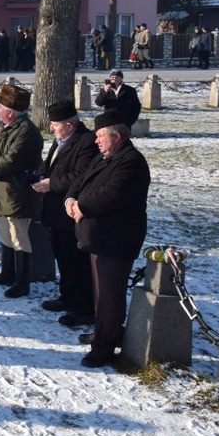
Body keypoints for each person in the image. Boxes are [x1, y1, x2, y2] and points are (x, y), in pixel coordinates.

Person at [65, 111, 150, 368]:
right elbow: (80, 181)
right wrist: (71, 198)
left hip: (116, 239)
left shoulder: (131, 162)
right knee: (101, 293)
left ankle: (104, 347)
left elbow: (110, 194)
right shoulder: (106, 157)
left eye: (101, 136)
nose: (96, 141)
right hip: (99, 237)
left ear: (119, 136)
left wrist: (82, 207)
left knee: (110, 296)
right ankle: (105, 332)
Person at [31, 100, 99, 327]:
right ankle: (67, 297)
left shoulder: (87, 142)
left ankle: (83, 307)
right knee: (62, 257)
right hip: (54, 212)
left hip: (71, 213)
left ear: (69, 125)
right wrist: (39, 176)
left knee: (76, 261)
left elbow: (81, 175)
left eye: (55, 124)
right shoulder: (61, 140)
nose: (51, 128)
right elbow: (49, 166)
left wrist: (51, 183)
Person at [0, 84, 43, 298]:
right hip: (1, 191)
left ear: (10, 111)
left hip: (17, 193)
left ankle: (23, 281)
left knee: (19, 236)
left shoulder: (27, 131)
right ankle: (7, 272)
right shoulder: (3, 127)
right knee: (5, 232)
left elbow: (11, 161)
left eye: (0, 107)